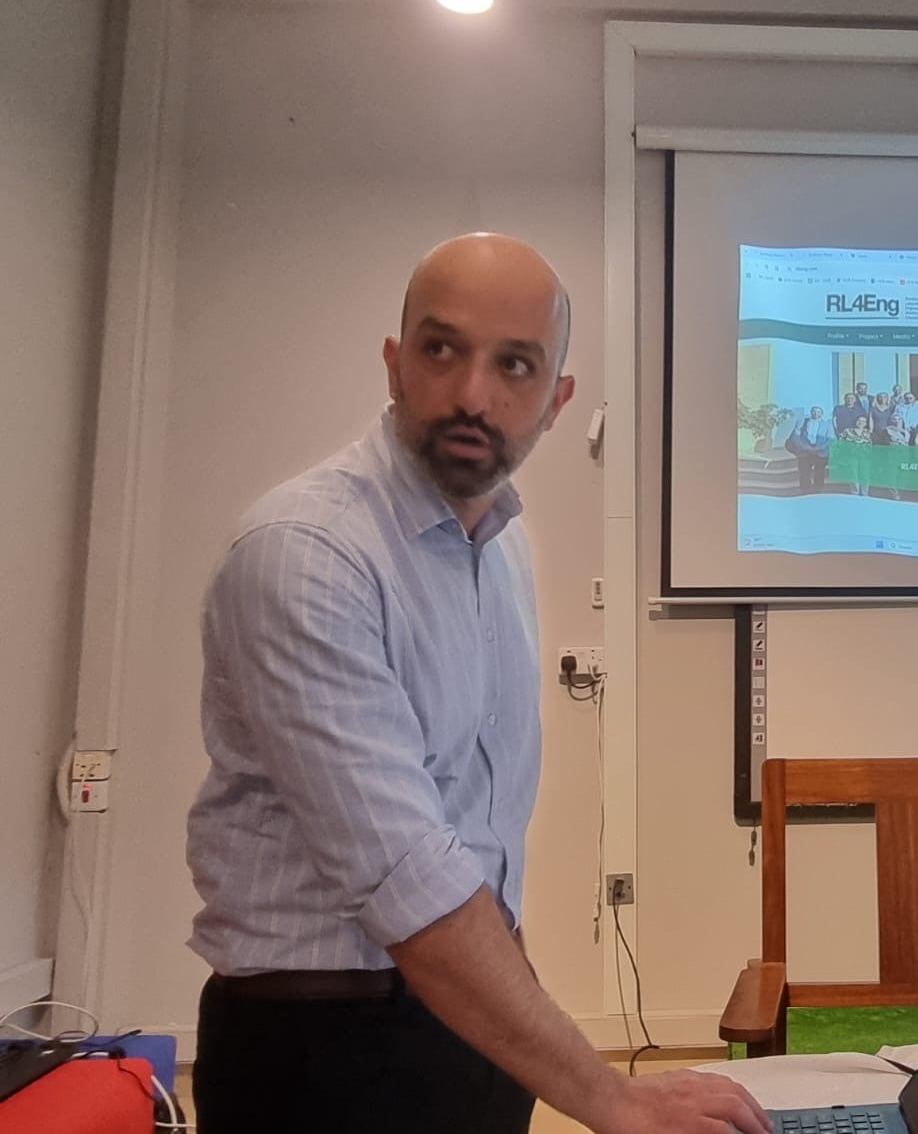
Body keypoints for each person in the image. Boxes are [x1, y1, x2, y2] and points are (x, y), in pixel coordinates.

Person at [185, 234, 769, 1134]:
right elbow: (409, 879)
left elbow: (478, 840)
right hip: (324, 1058)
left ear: (556, 400)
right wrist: (612, 1095)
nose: (471, 394)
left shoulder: (499, 549)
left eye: (514, 365)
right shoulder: (305, 555)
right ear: (394, 363)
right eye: (441, 349)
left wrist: (528, 1030)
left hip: (466, 1029)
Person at [789, 405, 832, 492]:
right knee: (804, 472)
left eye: (818, 412)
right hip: (805, 451)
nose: (816, 413)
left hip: (820, 452)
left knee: (820, 472)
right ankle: (805, 490)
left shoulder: (827, 425)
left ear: (822, 414)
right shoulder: (803, 422)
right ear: (811, 412)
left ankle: (818, 489)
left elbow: (830, 439)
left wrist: (820, 447)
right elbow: (795, 436)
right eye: (814, 411)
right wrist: (803, 446)